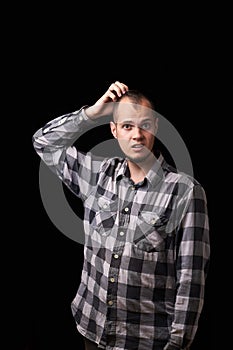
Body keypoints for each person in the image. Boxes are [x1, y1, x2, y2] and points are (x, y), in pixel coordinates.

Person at [32, 81, 210, 350]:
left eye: (145, 125)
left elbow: (191, 279)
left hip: (146, 341)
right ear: (114, 130)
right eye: (127, 126)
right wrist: (90, 114)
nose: (137, 135)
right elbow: (43, 142)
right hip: (91, 328)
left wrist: (177, 344)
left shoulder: (184, 191)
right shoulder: (97, 175)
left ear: (156, 128)